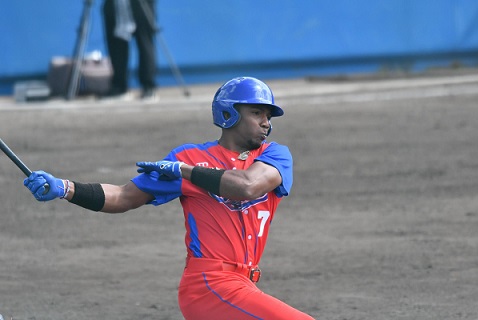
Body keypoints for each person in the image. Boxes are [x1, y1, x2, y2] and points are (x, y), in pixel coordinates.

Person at [23, 77, 316, 320]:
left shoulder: (274, 155)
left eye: (268, 116)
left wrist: (185, 172)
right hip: (210, 285)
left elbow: (247, 186)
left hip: (244, 284)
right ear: (229, 114)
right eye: (256, 113)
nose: (266, 122)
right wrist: (64, 187)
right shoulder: (189, 157)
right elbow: (124, 196)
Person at [102, 0, 158, 101]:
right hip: (114, 3)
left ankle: (148, 87)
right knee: (116, 43)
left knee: (144, 42)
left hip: (141, 3)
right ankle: (119, 87)